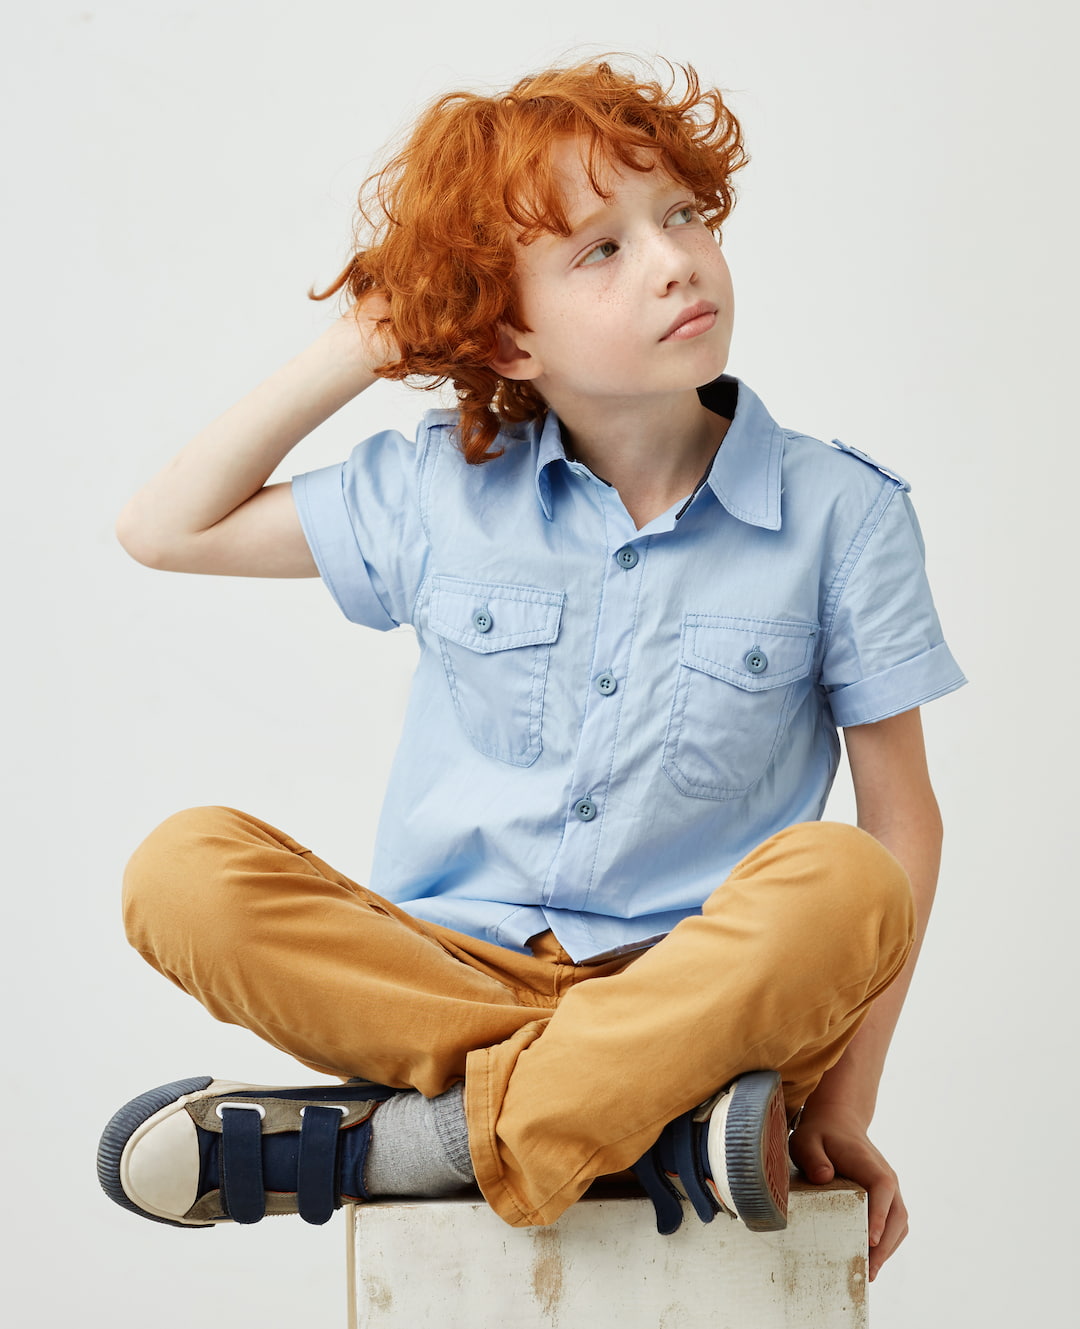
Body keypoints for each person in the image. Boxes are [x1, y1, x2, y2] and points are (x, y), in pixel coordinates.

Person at [97, 58, 964, 1281]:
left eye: (682, 218)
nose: (673, 261)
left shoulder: (845, 515)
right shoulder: (442, 490)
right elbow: (165, 528)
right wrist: (372, 338)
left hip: (700, 985)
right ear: (508, 331)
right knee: (180, 870)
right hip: (447, 975)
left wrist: (844, 1107)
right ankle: (645, 1127)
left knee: (851, 881)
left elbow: (904, 820)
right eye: (597, 251)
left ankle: (403, 1147)